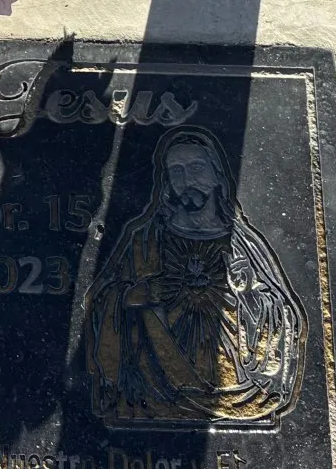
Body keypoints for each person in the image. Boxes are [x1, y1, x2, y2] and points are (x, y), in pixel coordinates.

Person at [84, 126, 306, 426]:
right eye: (176, 172)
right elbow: (103, 303)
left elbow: (282, 315)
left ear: (217, 176)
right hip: (156, 387)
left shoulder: (244, 244)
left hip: (239, 392)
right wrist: (141, 294)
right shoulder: (145, 239)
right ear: (166, 182)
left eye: (197, 168)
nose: (186, 180)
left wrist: (249, 295)